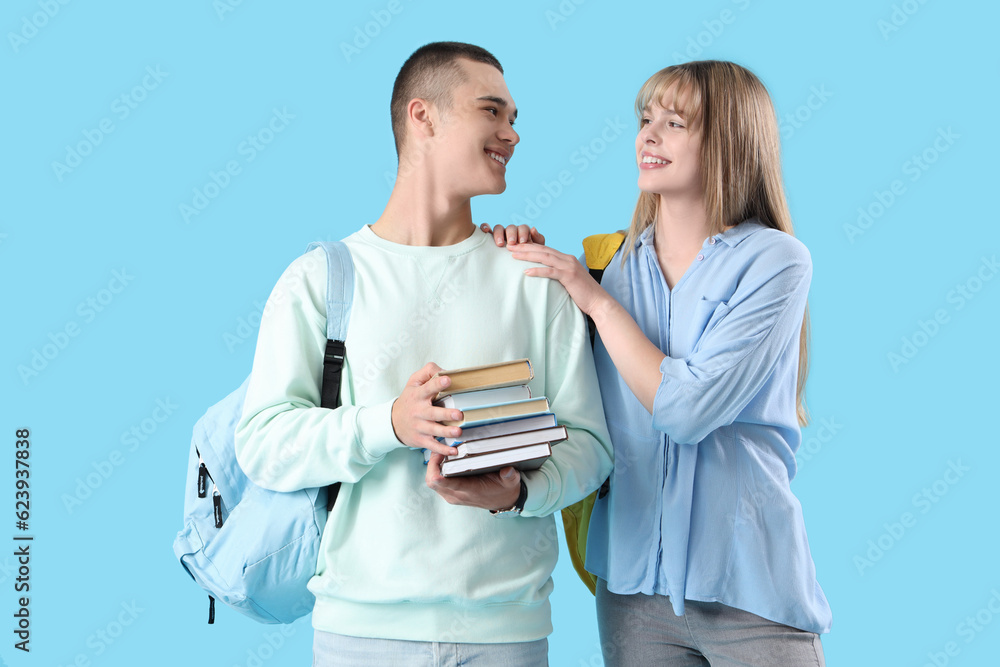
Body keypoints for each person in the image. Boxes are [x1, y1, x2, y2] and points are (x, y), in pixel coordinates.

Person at [234, 42, 613, 666]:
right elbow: (263, 443)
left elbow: (591, 447)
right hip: (360, 634)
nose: (512, 133)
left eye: (515, 118)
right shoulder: (320, 280)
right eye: (492, 112)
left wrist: (518, 493)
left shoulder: (534, 277)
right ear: (422, 116)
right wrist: (389, 423)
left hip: (508, 636)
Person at [486, 60, 831, 666]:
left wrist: (592, 300)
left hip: (751, 591)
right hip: (631, 593)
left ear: (730, 141)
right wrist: (503, 264)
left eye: (675, 123)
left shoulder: (777, 261)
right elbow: (556, 394)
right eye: (646, 120)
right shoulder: (611, 266)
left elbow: (686, 408)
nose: (648, 136)